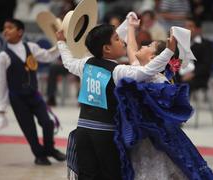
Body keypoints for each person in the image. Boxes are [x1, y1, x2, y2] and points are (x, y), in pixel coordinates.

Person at [57, 16, 177, 179]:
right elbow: (146, 71)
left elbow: (68, 61)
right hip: (105, 134)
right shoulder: (117, 70)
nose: (122, 41)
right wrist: (169, 51)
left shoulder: (84, 64)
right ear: (107, 48)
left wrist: (61, 43)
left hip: (82, 132)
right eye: (117, 39)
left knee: (87, 175)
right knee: (111, 174)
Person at [115, 13, 213, 180]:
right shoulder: (141, 70)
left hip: (158, 135)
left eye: (149, 46)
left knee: (162, 170)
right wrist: (131, 27)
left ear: (154, 57)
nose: (144, 45)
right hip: (143, 134)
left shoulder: (155, 76)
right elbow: (131, 49)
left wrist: (169, 50)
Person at [0, 18, 66, 166]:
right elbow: (1, 83)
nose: (5, 31)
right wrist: (2, 109)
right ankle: (39, 155)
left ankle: (50, 149)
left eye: (10, 27)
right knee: (29, 130)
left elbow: (48, 56)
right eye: (4, 28)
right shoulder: (3, 56)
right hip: (18, 99)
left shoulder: (31, 47)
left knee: (48, 123)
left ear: (20, 32)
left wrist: (61, 43)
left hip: (34, 95)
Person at [175, 17, 213, 95]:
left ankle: (182, 106)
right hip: (179, 75)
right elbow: (175, 60)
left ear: (198, 29)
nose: (186, 29)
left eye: (190, 26)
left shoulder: (205, 44)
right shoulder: (179, 43)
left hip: (197, 76)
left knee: (185, 85)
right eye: (185, 26)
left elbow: (206, 65)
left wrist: (193, 73)